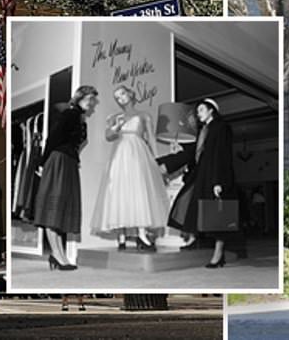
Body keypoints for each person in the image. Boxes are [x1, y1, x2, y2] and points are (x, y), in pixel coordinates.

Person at [93, 86, 168, 251]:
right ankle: (121, 236)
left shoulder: (144, 115)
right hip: (120, 154)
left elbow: (151, 139)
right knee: (119, 192)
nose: (120, 98)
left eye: (122, 94)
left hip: (138, 153)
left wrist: (157, 161)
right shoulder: (115, 117)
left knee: (138, 191)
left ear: (130, 94)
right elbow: (108, 136)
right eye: (117, 97)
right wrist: (117, 127)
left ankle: (141, 234)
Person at [32, 85, 99, 271]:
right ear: (78, 98)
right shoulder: (70, 114)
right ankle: (58, 256)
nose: (91, 103)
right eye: (88, 99)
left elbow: (75, 143)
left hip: (68, 162)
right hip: (58, 160)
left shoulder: (79, 118)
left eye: (92, 100)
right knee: (53, 206)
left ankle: (59, 255)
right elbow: (53, 138)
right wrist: (42, 162)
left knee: (60, 207)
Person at [171, 99, 242, 269]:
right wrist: (179, 147)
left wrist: (219, 181)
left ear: (211, 110)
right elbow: (198, 151)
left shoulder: (221, 127)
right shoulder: (203, 129)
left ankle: (218, 255)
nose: (198, 113)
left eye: (201, 109)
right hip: (202, 173)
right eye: (197, 111)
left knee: (217, 216)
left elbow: (223, 155)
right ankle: (193, 238)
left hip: (215, 174)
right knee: (191, 203)